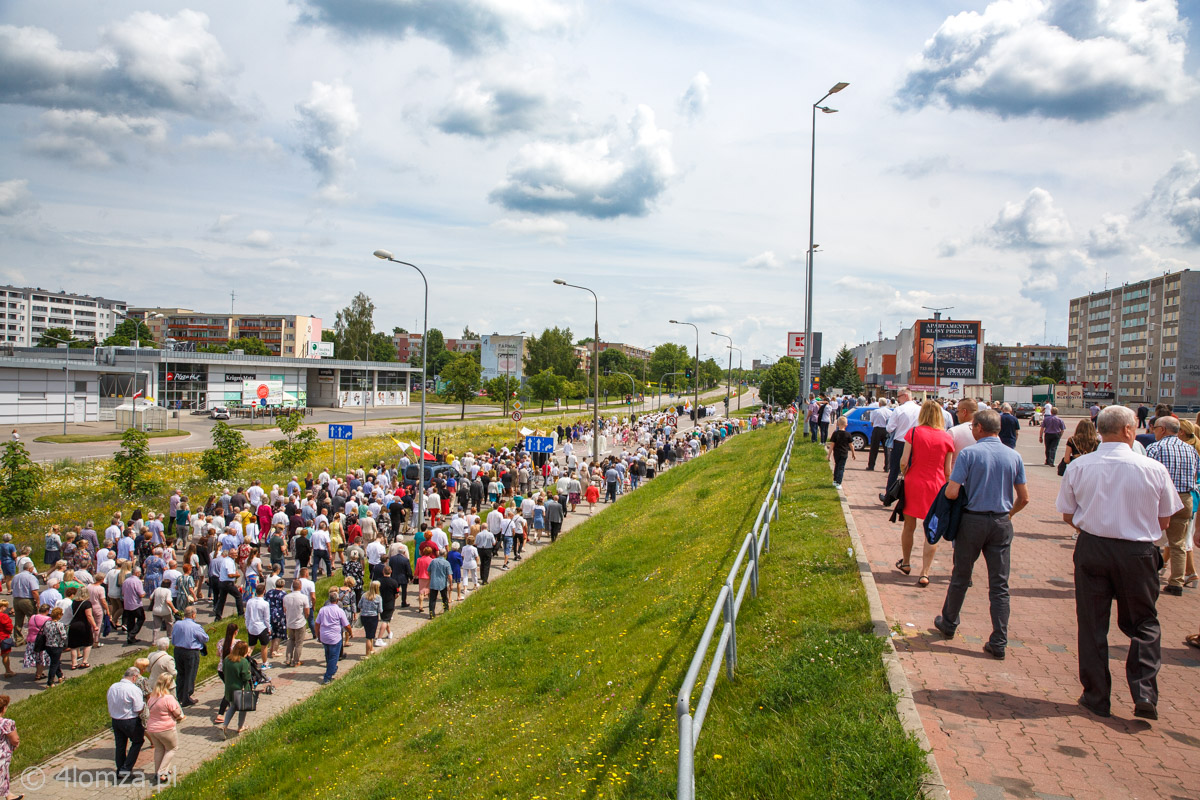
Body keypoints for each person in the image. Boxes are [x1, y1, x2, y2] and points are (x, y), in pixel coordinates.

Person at [1057, 405, 1182, 720]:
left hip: (1093, 547)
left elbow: (1068, 514)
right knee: (1143, 622)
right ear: (1130, 429)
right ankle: (1144, 693)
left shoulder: (1081, 466)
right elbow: (1165, 520)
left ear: (1100, 430)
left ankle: (1097, 696)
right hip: (1137, 551)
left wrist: (1096, 526)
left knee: (1092, 623)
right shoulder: (1152, 468)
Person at [933, 408, 1029, 659]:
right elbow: (1024, 498)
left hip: (972, 521)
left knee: (961, 576)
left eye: (973, 426)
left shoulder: (969, 454)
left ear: (979, 428)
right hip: (1000, 522)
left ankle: (949, 623)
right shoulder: (1013, 456)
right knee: (999, 584)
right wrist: (1008, 515)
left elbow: (952, 492)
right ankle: (999, 640)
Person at [895, 401, 956, 587]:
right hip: (936, 485)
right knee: (932, 530)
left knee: (909, 526)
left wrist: (905, 474)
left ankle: (905, 562)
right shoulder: (946, 438)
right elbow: (947, 470)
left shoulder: (913, 433)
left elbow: (904, 461)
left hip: (914, 482)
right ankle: (925, 572)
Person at [1146, 415, 1198, 596]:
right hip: (1184, 498)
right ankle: (1176, 581)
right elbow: (1196, 475)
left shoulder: (1155, 448)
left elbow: (1147, 476)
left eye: (1155, 428)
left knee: (1151, 539)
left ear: (1162, 429)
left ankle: (1148, 576)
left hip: (1161, 498)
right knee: (1178, 543)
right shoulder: (1191, 450)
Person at [108, 666, 146, 779]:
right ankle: (126, 769)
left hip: (115, 720)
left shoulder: (113, 687)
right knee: (138, 741)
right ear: (134, 677)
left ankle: (120, 769)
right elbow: (139, 708)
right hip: (130, 720)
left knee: (120, 745)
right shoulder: (133, 689)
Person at [145, 672, 184, 785]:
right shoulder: (168, 698)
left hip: (152, 729)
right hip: (165, 728)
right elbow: (177, 713)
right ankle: (161, 773)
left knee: (159, 749)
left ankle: (159, 771)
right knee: (172, 748)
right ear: (169, 684)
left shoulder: (152, 697)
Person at [171, 607, 208, 706]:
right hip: (191, 652)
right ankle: (186, 697)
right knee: (190, 674)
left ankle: (179, 696)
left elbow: (173, 637)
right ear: (193, 615)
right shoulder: (195, 626)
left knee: (181, 674)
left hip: (178, 650)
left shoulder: (177, 624)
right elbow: (205, 638)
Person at [314, 590, 350, 684]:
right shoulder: (339, 610)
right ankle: (327, 677)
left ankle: (331, 668)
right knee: (334, 657)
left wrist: (317, 634)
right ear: (337, 600)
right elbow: (346, 624)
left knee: (328, 654)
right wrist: (350, 632)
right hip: (335, 637)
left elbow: (317, 623)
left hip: (324, 636)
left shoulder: (323, 610)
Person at [220, 640, 253, 736]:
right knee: (243, 708)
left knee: (232, 706)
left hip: (229, 688)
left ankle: (224, 725)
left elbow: (223, 670)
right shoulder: (243, 662)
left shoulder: (227, 659)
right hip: (241, 688)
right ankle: (240, 726)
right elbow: (246, 677)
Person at [283, 579, 310, 668]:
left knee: (291, 640)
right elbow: (307, 611)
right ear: (300, 587)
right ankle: (296, 661)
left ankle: (288, 659)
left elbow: (284, 609)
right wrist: (305, 617)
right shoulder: (303, 597)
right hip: (300, 623)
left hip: (290, 622)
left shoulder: (286, 597)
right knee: (299, 643)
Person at [826, 416, 855, 489]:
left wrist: (829, 455)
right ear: (846, 425)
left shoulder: (835, 434)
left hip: (836, 453)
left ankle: (835, 480)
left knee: (837, 465)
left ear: (838, 424)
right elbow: (851, 445)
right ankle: (839, 482)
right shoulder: (848, 434)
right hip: (844, 453)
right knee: (841, 467)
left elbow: (832, 445)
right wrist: (853, 453)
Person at [358, 581, 381, 655]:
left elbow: (359, 605)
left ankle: (371, 649)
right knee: (369, 636)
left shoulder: (364, 595)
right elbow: (380, 610)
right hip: (373, 617)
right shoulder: (378, 597)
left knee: (370, 634)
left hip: (364, 616)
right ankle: (367, 654)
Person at [428, 549, 452, 619]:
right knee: (444, 597)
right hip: (442, 583)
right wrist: (451, 584)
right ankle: (446, 610)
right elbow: (449, 575)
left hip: (433, 582)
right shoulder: (446, 563)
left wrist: (431, 577)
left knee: (432, 599)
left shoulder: (433, 561)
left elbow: (429, 571)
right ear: (444, 554)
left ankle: (431, 614)